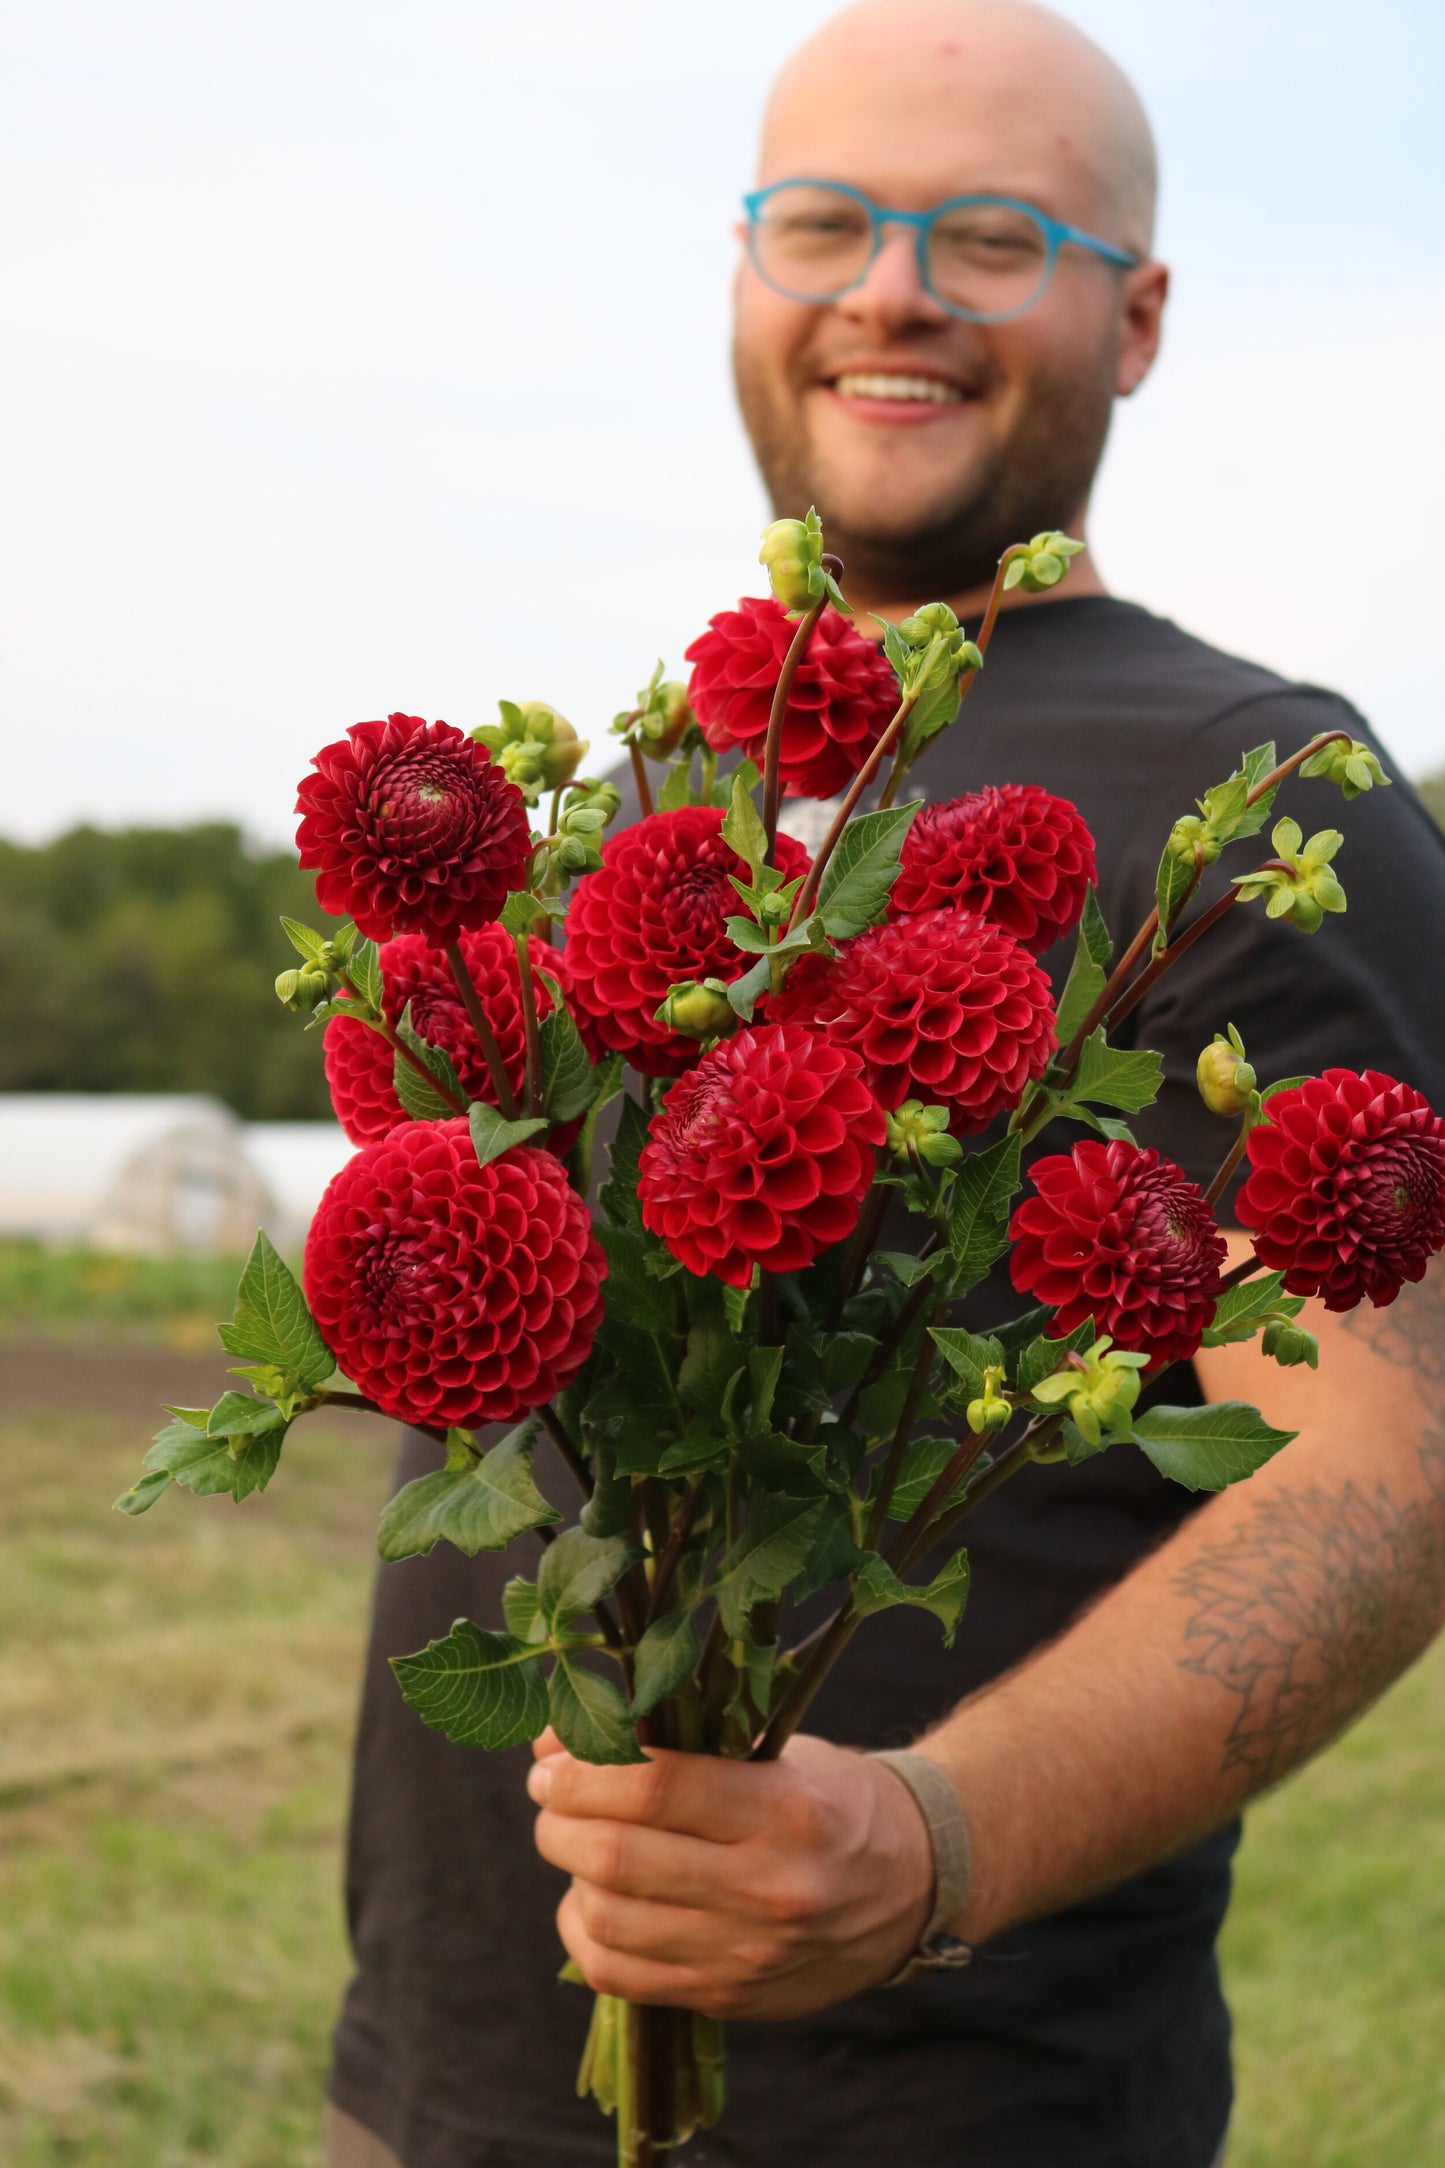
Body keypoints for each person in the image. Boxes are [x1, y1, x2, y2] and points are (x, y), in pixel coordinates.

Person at [324, 4, 1445, 2164]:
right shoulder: (668, 783)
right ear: (750, 275)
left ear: (1136, 319)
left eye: (990, 234)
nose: (891, 285)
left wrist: (929, 1840)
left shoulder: (1252, 794)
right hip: (446, 2084)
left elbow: (1385, 1469)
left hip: (948, 2114)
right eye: (825, 219)